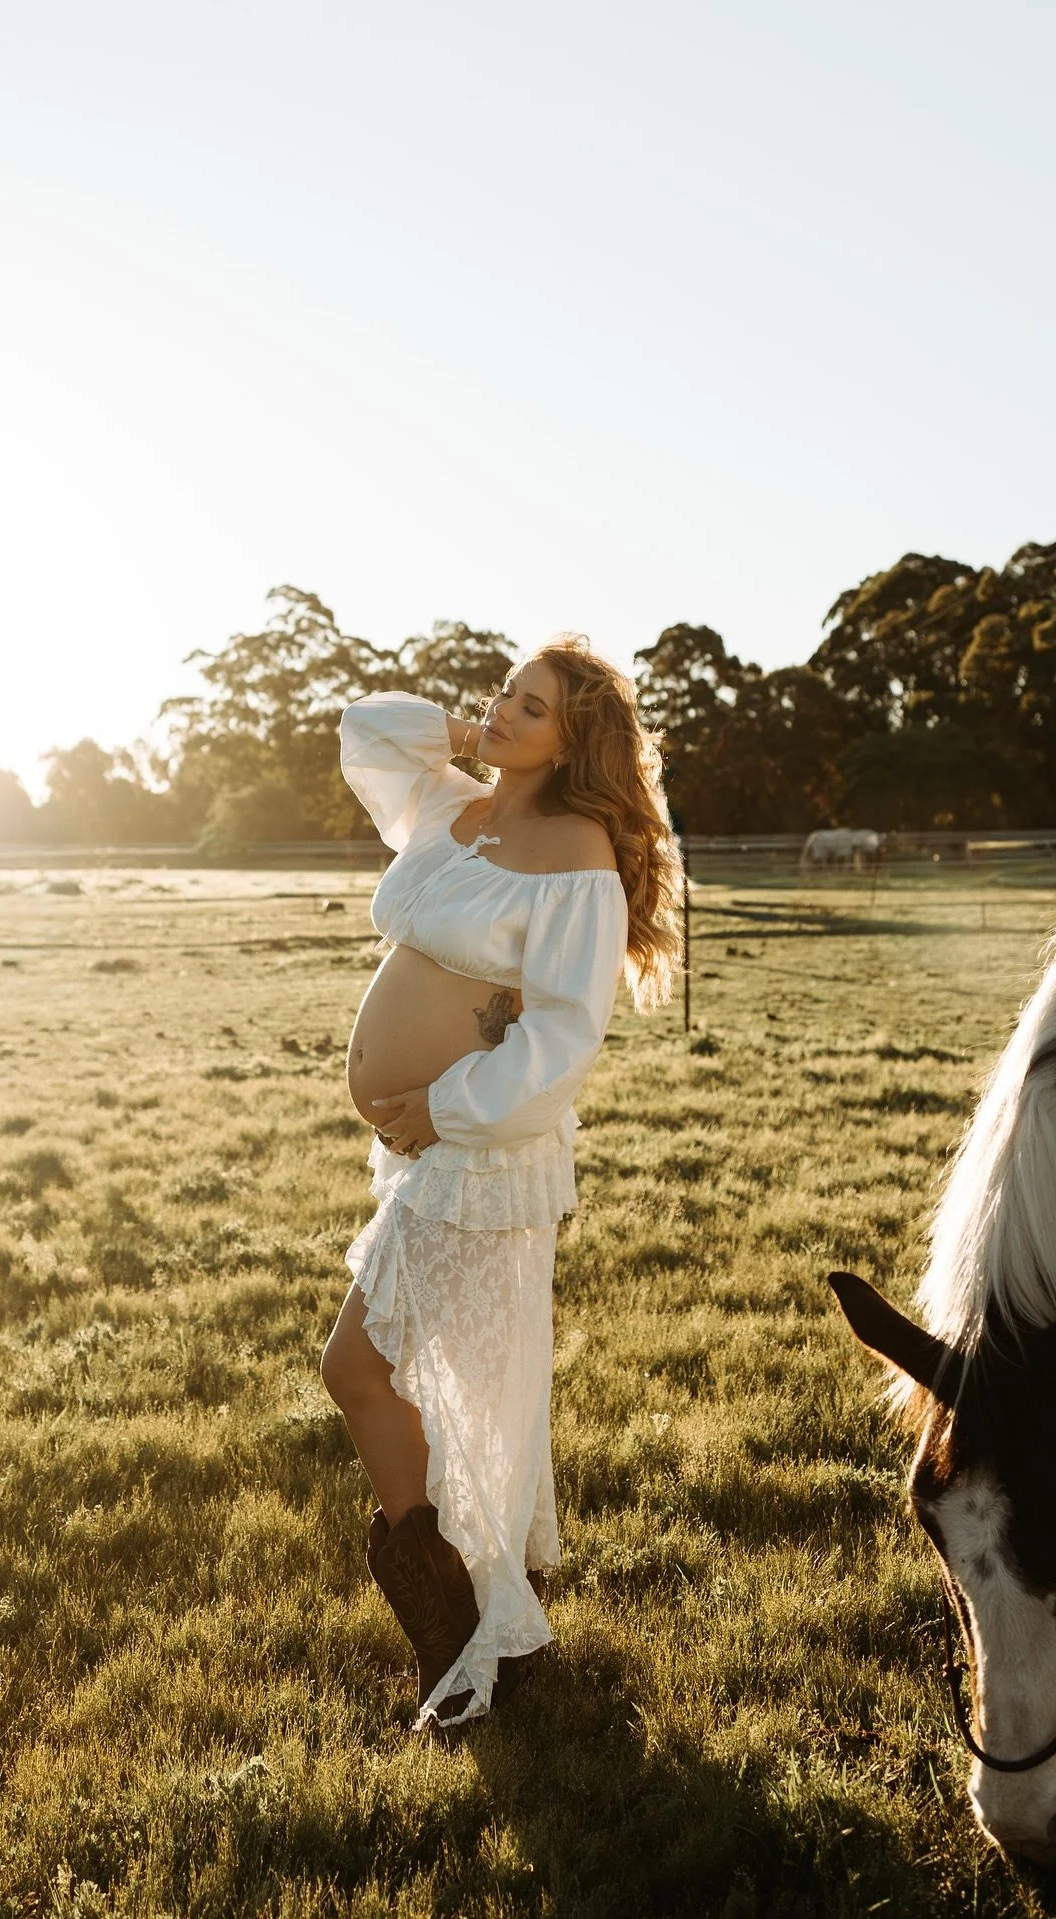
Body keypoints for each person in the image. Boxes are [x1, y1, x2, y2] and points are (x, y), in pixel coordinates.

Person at [320, 633, 684, 1731]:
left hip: (480, 1153)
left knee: (359, 1369)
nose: (504, 713)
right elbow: (362, 730)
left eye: (533, 708)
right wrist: (467, 733)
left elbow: (565, 1037)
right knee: (431, 1380)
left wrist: (442, 1104)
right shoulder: (456, 807)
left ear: (578, 741)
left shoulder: (575, 848)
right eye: (506, 695)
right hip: (426, 1155)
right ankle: (474, 1616)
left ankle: (463, 1630)